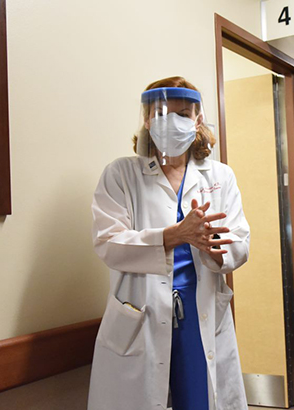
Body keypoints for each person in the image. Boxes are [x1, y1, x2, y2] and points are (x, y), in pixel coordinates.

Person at [87, 76, 250, 410]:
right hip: (140, 315)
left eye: (183, 113)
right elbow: (108, 242)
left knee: (200, 401)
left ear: (198, 120)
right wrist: (176, 235)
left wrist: (210, 244)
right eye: (162, 113)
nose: (172, 122)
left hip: (199, 311)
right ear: (147, 120)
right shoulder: (121, 174)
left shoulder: (219, 176)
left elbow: (240, 243)